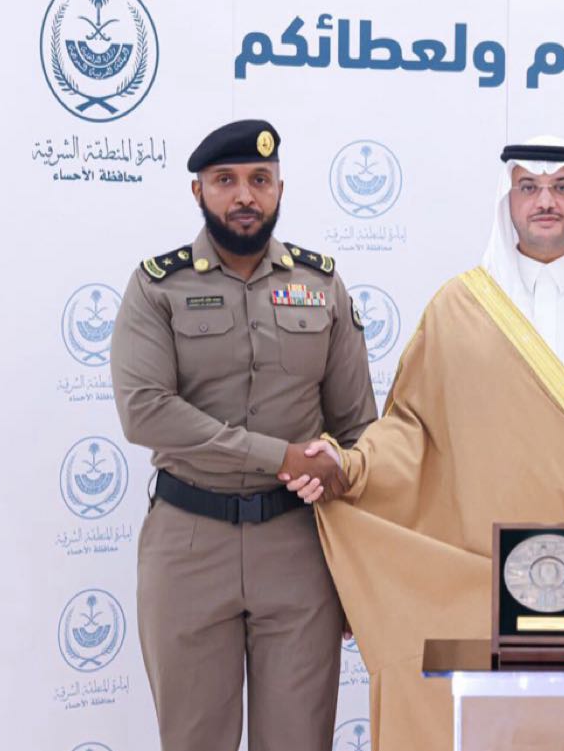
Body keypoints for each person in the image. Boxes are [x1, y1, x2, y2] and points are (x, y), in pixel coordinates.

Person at [284, 137, 564, 751]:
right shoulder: (458, 308)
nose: (545, 201)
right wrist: (350, 466)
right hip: (485, 575)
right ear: (508, 198)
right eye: (529, 187)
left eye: (561, 187)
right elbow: (412, 433)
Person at [110, 119, 374, 751]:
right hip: (188, 544)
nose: (244, 196)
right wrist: (281, 456)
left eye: (260, 179)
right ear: (198, 191)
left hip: (300, 548)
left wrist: (357, 552)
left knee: (300, 741)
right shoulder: (157, 286)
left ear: (280, 188)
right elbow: (146, 411)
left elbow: (359, 428)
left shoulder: (321, 285)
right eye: (225, 181)